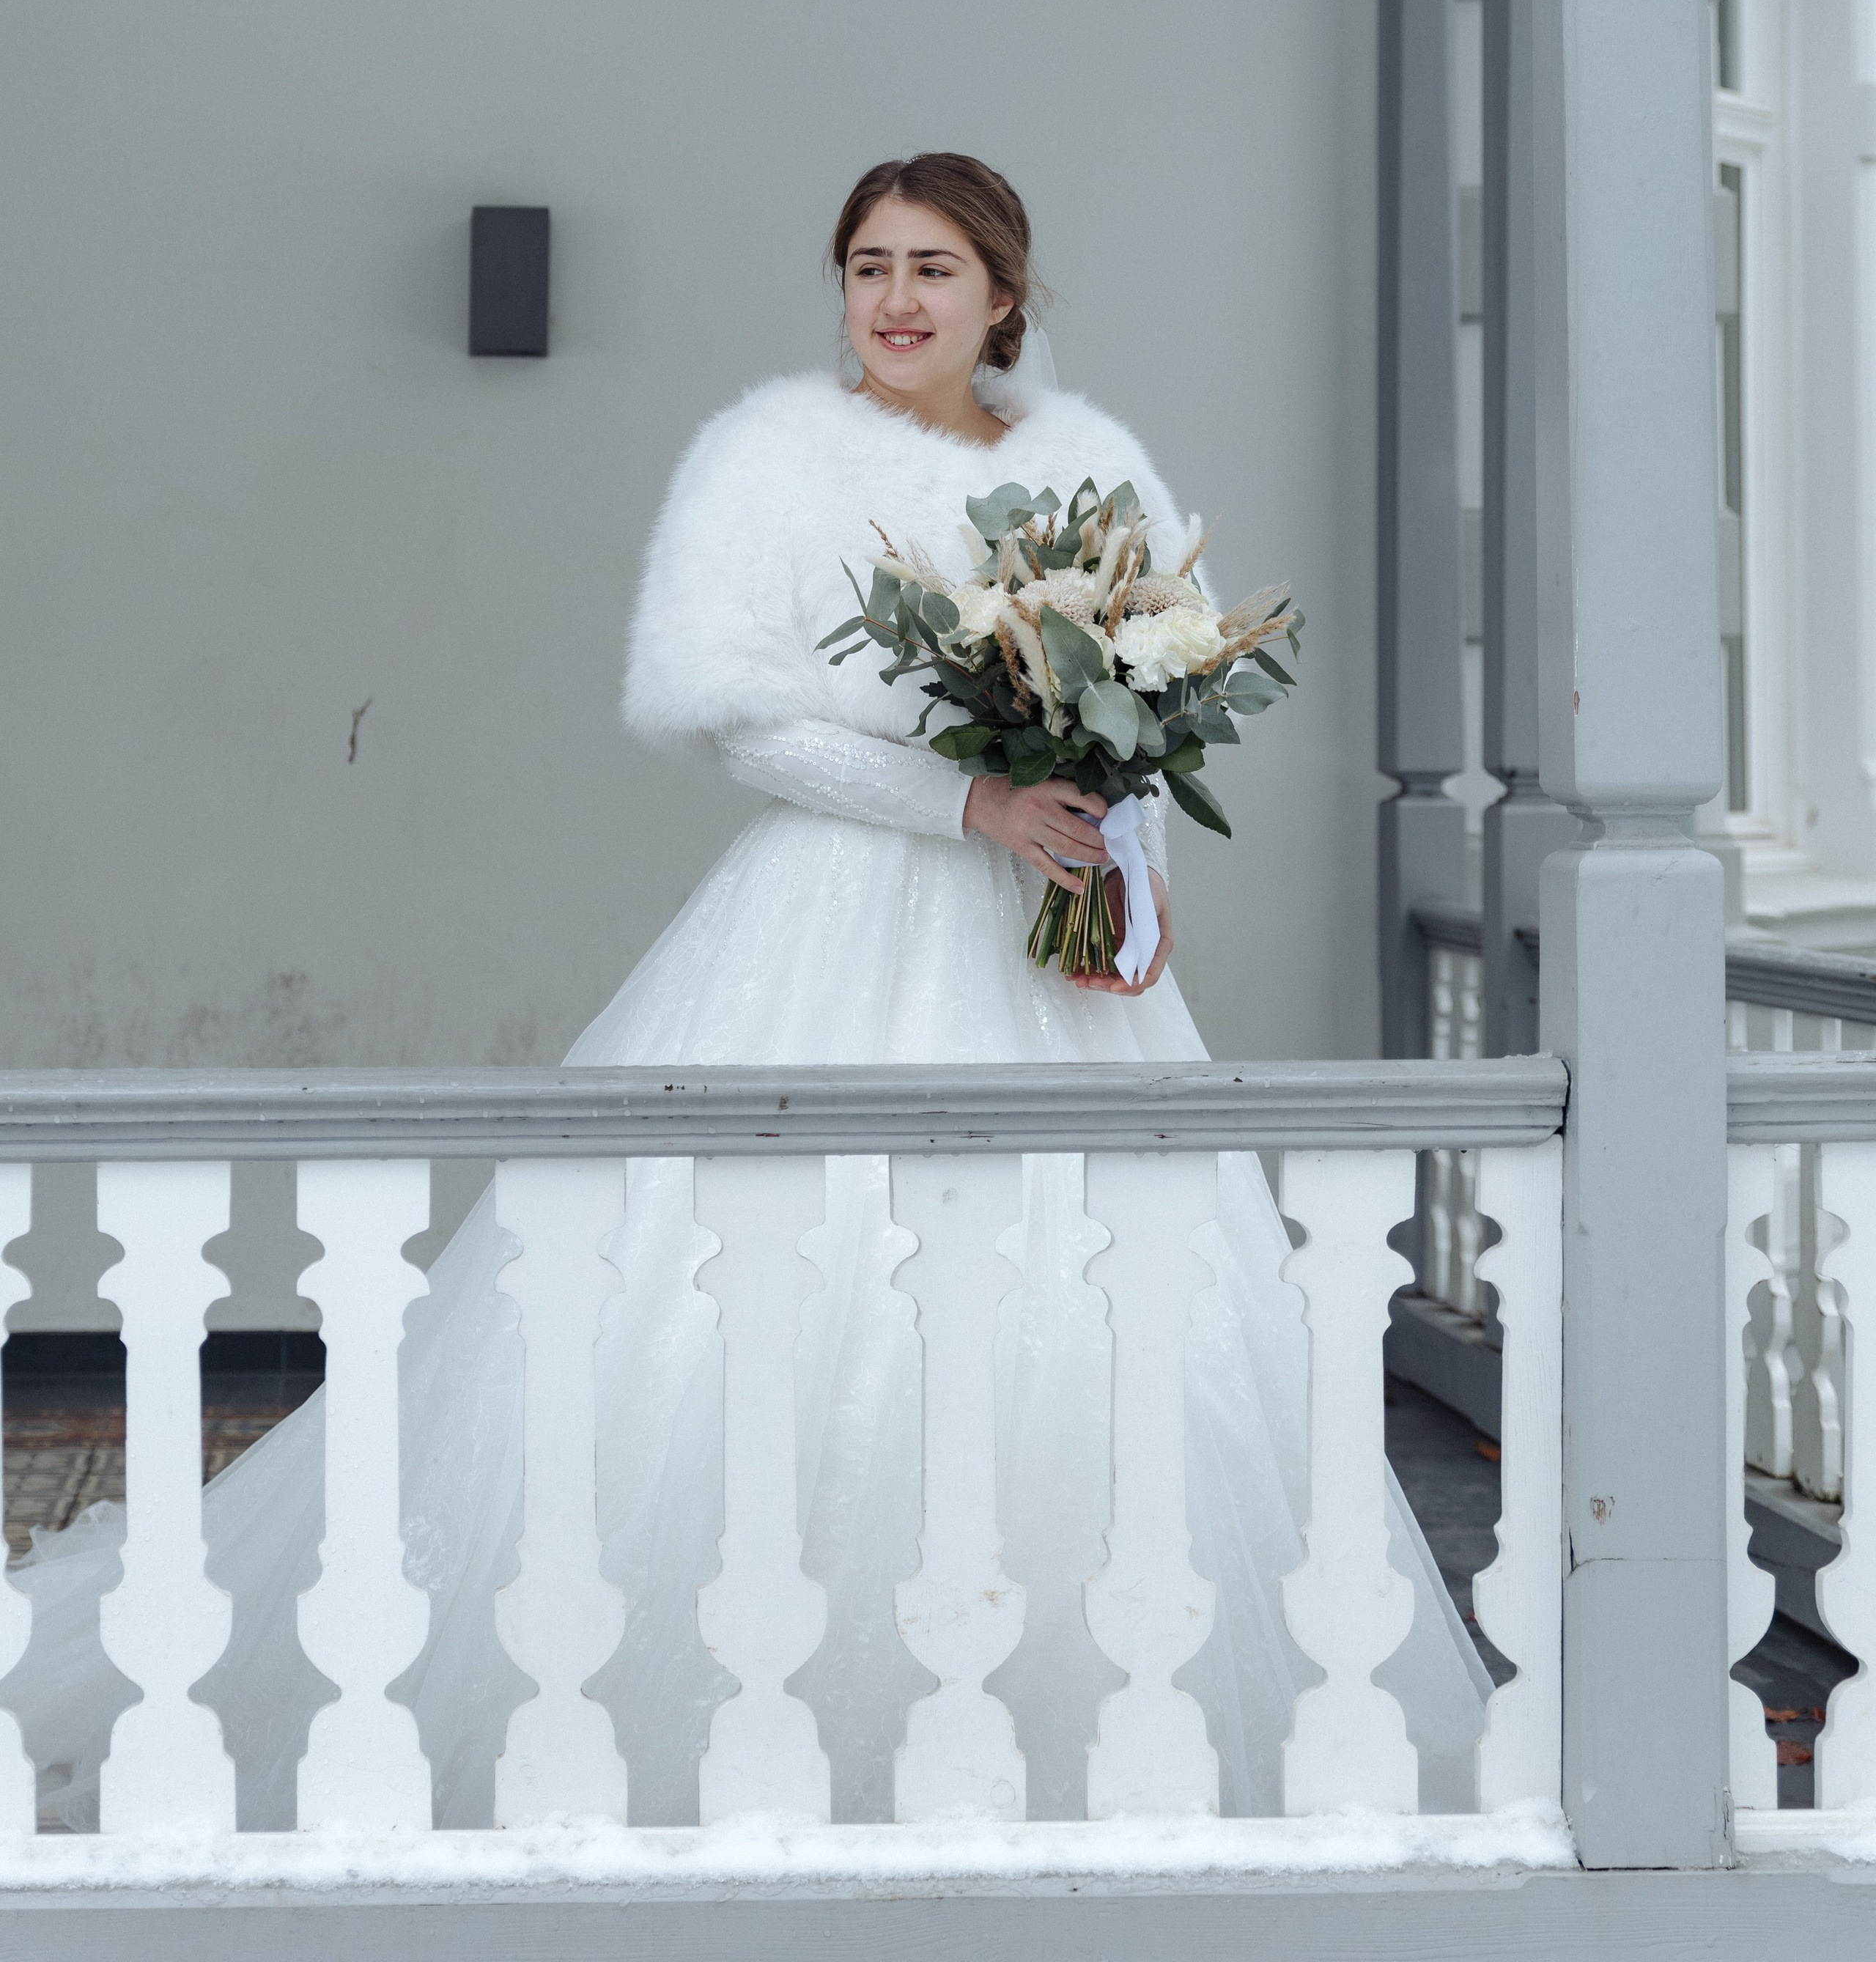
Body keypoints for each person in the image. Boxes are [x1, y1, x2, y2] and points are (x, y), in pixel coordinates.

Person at [7, 152, 1490, 1829]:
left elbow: (1156, 697)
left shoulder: (1091, 465)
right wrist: (969, 801)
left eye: (935, 267)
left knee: (1095, 1298)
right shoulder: (767, 454)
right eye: (867, 264)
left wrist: (1122, 874)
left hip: (1054, 946)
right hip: (834, 917)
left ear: (1006, 295)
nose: (898, 298)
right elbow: (739, 717)